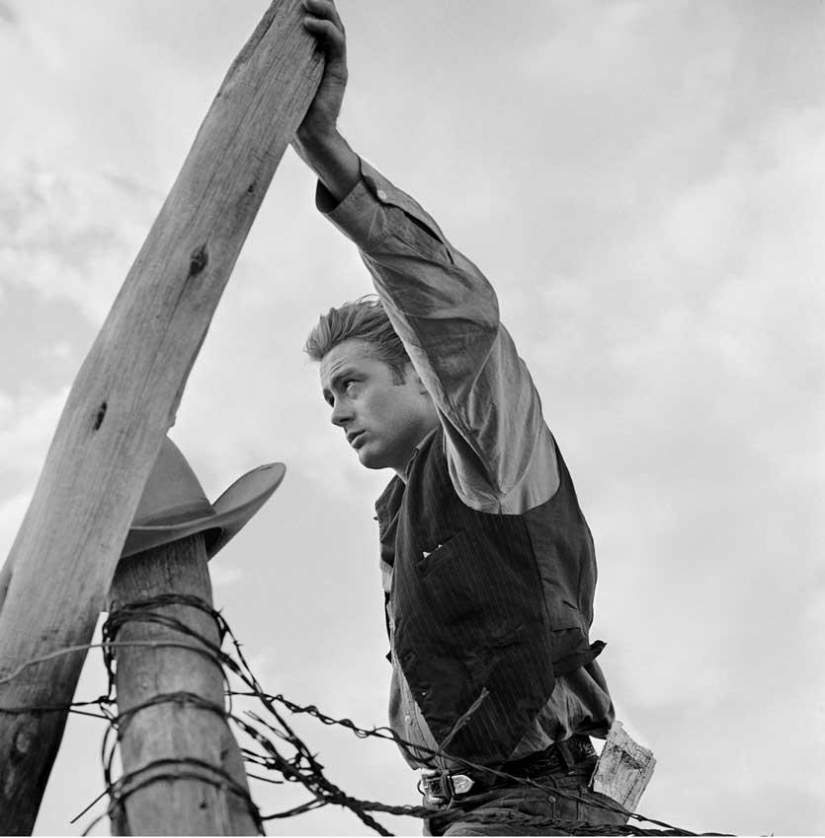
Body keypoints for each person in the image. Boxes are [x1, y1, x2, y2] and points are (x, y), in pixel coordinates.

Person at [294, 2, 631, 834]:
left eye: (348, 383)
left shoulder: (488, 448)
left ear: (420, 375)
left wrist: (333, 161)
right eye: (327, 397)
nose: (336, 412)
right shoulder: (406, 505)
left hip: (535, 808)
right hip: (471, 811)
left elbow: (459, 319)